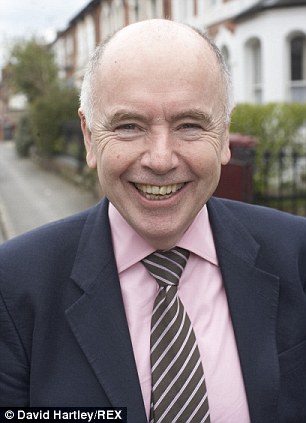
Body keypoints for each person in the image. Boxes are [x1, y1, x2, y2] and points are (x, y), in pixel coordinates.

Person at [0, 19, 306, 423]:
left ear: (225, 134)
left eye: (190, 125)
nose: (160, 159)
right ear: (90, 138)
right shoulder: (15, 285)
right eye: (129, 126)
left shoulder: (297, 255)